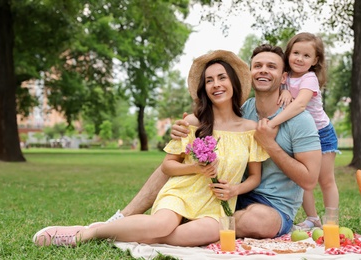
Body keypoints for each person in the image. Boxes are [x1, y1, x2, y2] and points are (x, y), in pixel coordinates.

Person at [33, 50, 269, 247]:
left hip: (217, 205)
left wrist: (234, 190)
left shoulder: (250, 129)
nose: (216, 84)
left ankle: (125, 230)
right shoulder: (191, 124)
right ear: (204, 88)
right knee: (161, 225)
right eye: (209, 80)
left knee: (188, 236)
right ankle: (89, 232)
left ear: (233, 83)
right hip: (181, 193)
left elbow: (255, 177)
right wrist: (196, 168)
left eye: (222, 78)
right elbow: (168, 166)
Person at [87, 44, 322, 239]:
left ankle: (162, 228)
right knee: (170, 165)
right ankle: (124, 218)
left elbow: (310, 181)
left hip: (271, 205)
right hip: (223, 193)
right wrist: (185, 125)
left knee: (256, 221)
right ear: (249, 73)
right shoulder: (245, 110)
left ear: (283, 77)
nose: (263, 71)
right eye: (258, 66)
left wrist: (270, 144)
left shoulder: (300, 120)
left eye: (271, 67)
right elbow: (215, 116)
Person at [270, 32, 340, 230]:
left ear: (315, 60)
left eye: (306, 55)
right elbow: (279, 92)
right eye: (296, 53)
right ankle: (312, 219)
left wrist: (273, 122)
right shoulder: (284, 76)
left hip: (321, 133)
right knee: (302, 180)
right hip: (300, 136)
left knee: (325, 180)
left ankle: (331, 222)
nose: (299, 59)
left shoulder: (309, 78)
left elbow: (300, 104)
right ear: (288, 54)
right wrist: (283, 89)